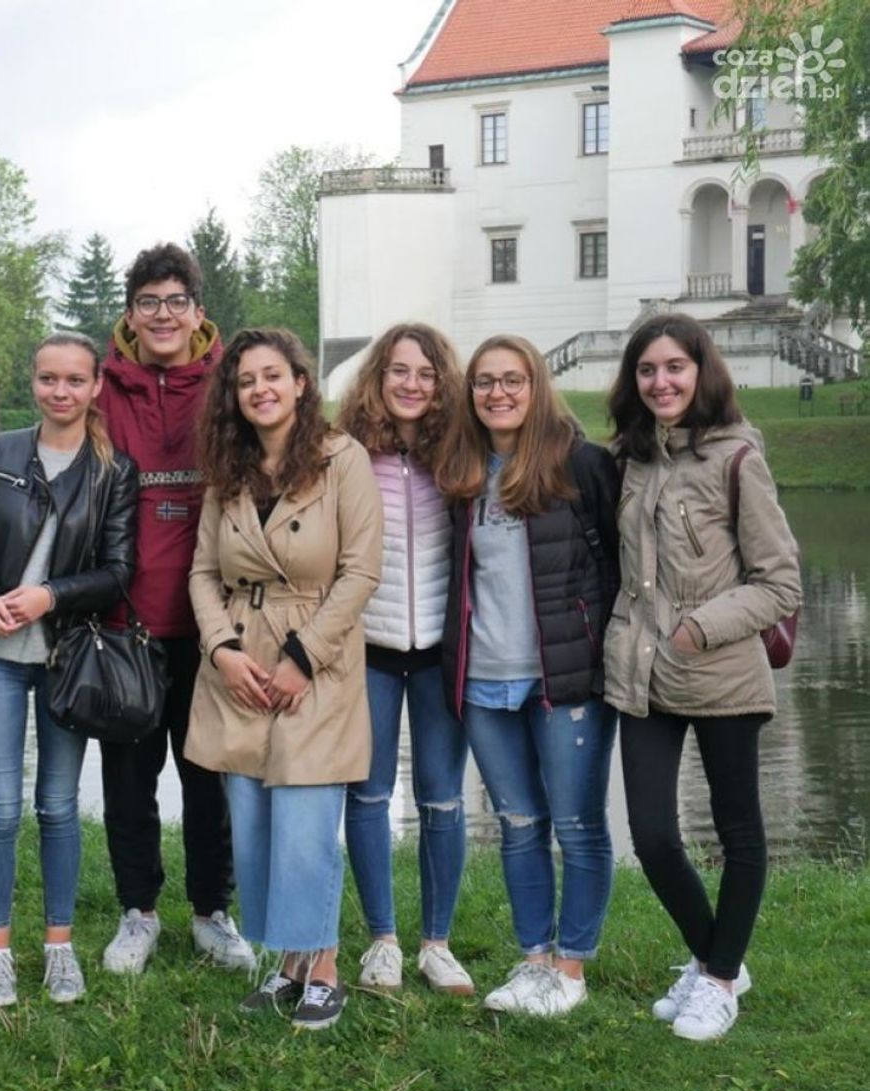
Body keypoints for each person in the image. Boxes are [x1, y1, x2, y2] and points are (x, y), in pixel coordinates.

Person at [604, 314, 801, 1041]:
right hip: (642, 674)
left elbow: (780, 583)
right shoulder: (628, 458)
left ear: (700, 372)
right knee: (653, 837)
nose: (661, 382)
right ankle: (717, 957)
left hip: (722, 672)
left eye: (674, 368)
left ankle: (717, 981)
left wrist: (700, 626)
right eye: (647, 370)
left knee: (738, 831)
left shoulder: (738, 457)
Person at [186, 327, 383, 1030]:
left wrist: (303, 658)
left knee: (305, 822)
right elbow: (203, 572)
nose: (260, 389)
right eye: (246, 381)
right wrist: (220, 649)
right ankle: (289, 966)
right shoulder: (229, 469)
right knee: (255, 825)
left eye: (273, 375)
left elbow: (360, 571)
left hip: (315, 657)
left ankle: (323, 970)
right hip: (242, 658)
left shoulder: (342, 458)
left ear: (300, 383)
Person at [435, 334, 620, 1018]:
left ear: (536, 386)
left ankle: (571, 968)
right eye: (485, 382)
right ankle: (533, 959)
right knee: (518, 824)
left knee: (577, 824)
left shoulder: (581, 465)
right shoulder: (460, 472)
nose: (498, 393)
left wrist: (602, 650)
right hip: (484, 681)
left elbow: (618, 565)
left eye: (512, 380)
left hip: (564, 679)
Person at [0, 333, 137, 1008]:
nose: (60, 391)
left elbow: (118, 572)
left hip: (67, 659)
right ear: (33, 381)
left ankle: (60, 948)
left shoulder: (114, 470)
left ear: (95, 387)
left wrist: (50, 597)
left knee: (57, 806)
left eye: (74, 380)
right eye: (48, 378)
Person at [94, 243, 251, 976]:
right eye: (149, 303)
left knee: (207, 777)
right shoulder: (101, 389)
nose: (163, 315)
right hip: (125, 618)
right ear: (131, 314)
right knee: (129, 782)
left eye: (175, 302)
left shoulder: (230, 386)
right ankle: (139, 911)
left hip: (212, 624)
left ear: (197, 311)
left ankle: (212, 911)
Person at [335, 323, 473, 995]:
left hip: (444, 653)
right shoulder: (347, 454)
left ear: (443, 383)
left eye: (426, 373)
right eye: (399, 371)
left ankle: (436, 943)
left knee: (443, 797)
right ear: (378, 377)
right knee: (368, 794)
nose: (412, 384)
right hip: (370, 651)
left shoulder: (463, 455)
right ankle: (383, 941)